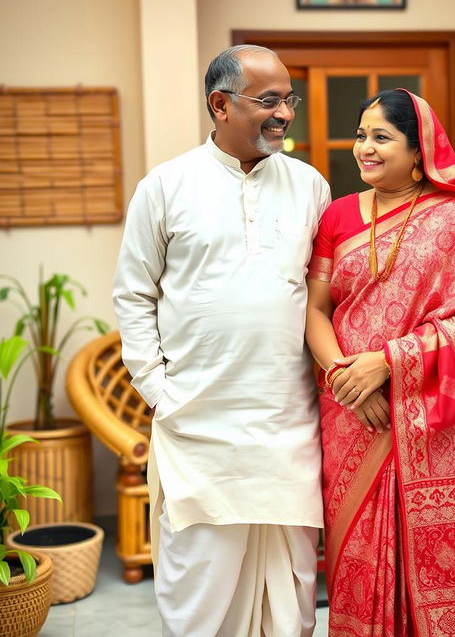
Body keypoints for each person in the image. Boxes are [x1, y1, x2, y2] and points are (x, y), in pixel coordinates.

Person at [113, 44, 331, 637]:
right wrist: (159, 390)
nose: (285, 112)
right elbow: (133, 295)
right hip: (198, 421)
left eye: (289, 99)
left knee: (290, 591)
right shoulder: (164, 187)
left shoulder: (311, 185)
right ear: (220, 105)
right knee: (201, 582)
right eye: (269, 101)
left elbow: (326, 293)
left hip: (287, 419)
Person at [305, 89, 455, 636]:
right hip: (350, 412)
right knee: (354, 554)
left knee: (434, 566)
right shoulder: (336, 216)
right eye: (361, 135)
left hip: (435, 419)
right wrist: (344, 378)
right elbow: (313, 309)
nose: (365, 148)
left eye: (382, 137)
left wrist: (388, 363)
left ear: (418, 147)